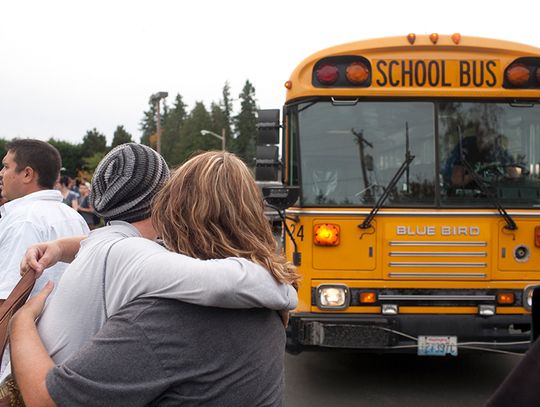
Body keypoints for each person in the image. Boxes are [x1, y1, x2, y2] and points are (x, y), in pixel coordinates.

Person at [11, 150, 299, 406]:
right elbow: (115, 246)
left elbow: (48, 399)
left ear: (175, 211)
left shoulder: (161, 318)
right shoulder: (265, 309)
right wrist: (61, 247)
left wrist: (21, 321)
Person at [0, 140, 89, 300]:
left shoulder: (23, 220)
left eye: (6, 167)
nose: (1, 173)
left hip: (28, 323)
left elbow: (8, 298)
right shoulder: (74, 217)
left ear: (27, 174)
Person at [443, 122, 518, 189]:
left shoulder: (499, 152)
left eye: (487, 134)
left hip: (496, 200)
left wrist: (501, 178)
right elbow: (456, 181)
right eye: (481, 133)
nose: (483, 138)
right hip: (466, 198)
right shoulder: (465, 148)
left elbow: (514, 177)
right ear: (476, 133)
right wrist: (473, 177)